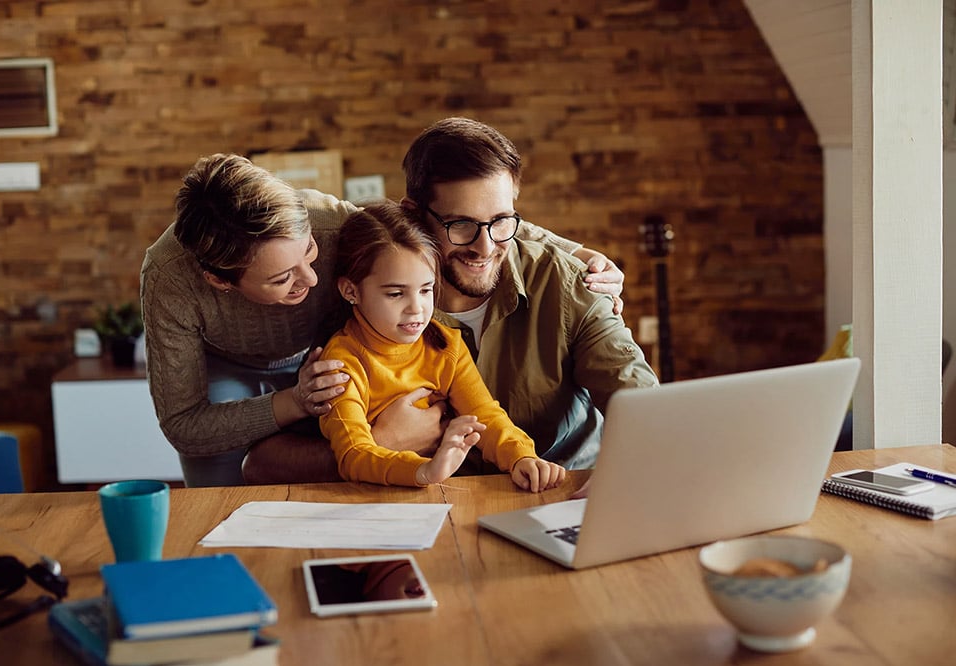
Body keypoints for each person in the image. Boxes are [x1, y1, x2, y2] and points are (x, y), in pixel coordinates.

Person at [141, 153, 623, 487]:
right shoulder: (171, 281)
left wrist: (575, 255)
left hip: (336, 353)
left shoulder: (328, 221)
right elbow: (184, 424)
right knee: (221, 504)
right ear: (220, 280)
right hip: (234, 368)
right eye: (283, 277)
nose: (311, 279)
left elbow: (451, 224)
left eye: (310, 253)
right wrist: (294, 401)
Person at [398, 117, 660, 471]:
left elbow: (638, 399)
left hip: (571, 486)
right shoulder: (377, 295)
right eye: (461, 224)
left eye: (501, 221)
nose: (485, 247)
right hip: (440, 498)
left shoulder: (565, 283)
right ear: (413, 216)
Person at [319, 201, 566, 491]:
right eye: (396, 293)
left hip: (434, 499)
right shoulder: (341, 362)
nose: (417, 309)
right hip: (364, 505)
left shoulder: (446, 344)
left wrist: (520, 457)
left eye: (425, 290)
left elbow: (485, 415)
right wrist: (423, 471)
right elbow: (352, 455)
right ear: (351, 290)